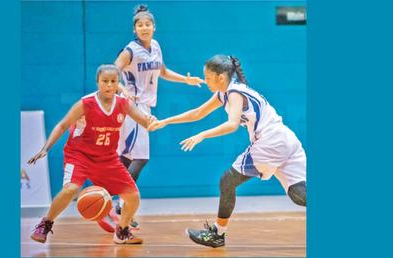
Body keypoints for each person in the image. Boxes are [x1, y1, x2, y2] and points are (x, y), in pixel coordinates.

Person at [148, 54, 307, 248]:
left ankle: (218, 233)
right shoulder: (225, 93)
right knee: (299, 194)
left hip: (270, 142)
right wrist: (165, 121)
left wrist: (202, 135)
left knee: (227, 181)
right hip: (286, 139)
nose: (205, 81)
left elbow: (232, 125)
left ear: (220, 77)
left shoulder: (234, 92)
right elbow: (197, 113)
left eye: (207, 78)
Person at [28, 64, 157, 245]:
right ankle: (45, 223)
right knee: (71, 190)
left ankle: (122, 230)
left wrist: (154, 121)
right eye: (105, 81)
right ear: (97, 82)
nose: (109, 85)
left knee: (133, 196)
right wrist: (45, 148)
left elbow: (145, 121)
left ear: (118, 83)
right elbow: (62, 125)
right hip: (79, 155)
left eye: (113, 81)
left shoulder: (123, 104)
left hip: (107, 158)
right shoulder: (85, 103)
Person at [111, 4, 205, 229]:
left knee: (125, 157)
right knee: (139, 158)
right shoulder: (130, 50)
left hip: (145, 108)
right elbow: (112, 71)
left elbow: (162, 71)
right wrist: (122, 90)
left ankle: (111, 199)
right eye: (140, 25)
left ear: (154, 27)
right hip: (133, 107)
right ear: (135, 29)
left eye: (147, 24)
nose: (144, 27)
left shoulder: (155, 47)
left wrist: (186, 80)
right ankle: (120, 205)